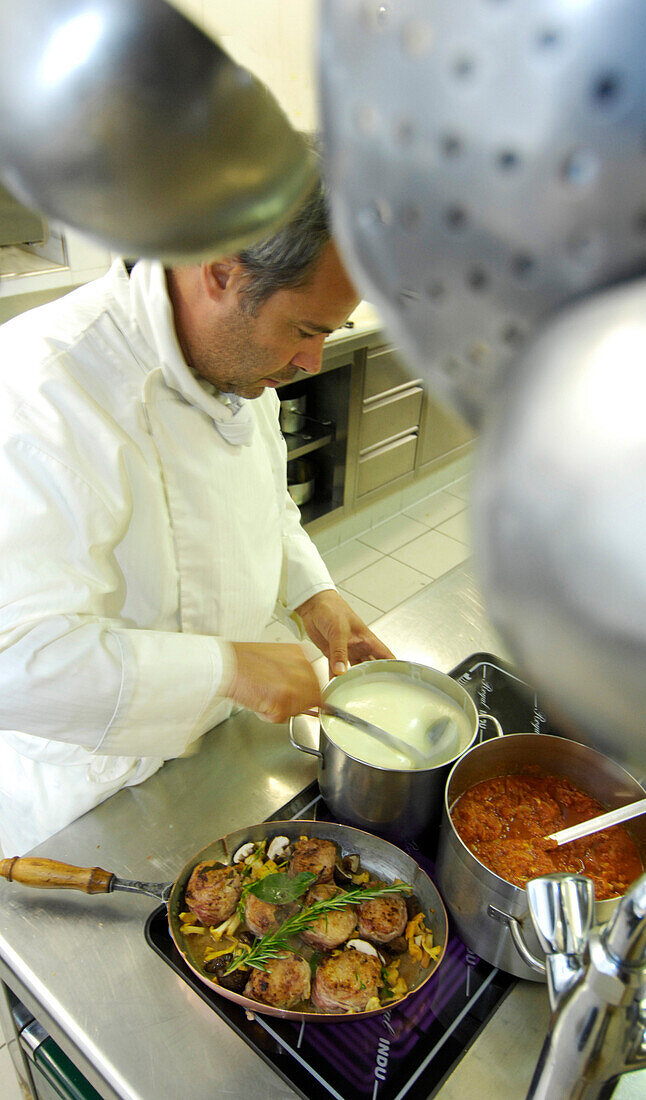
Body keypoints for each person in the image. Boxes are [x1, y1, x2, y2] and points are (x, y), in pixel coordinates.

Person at [0, 180, 394, 854]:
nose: (311, 361)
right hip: (89, 795)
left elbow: (265, 497)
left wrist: (311, 593)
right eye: (305, 331)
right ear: (220, 274)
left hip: (211, 743)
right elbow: (15, 659)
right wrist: (224, 669)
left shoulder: (229, 360)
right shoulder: (41, 391)